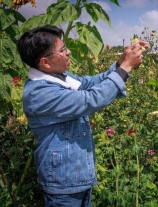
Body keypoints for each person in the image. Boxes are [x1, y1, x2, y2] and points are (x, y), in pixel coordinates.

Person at [17, 25, 148, 207]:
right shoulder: (40, 92)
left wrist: (120, 63)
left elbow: (91, 83)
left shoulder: (60, 77)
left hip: (76, 177)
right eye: (62, 50)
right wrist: (126, 67)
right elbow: (90, 99)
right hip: (63, 184)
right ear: (45, 62)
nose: (68, 52)